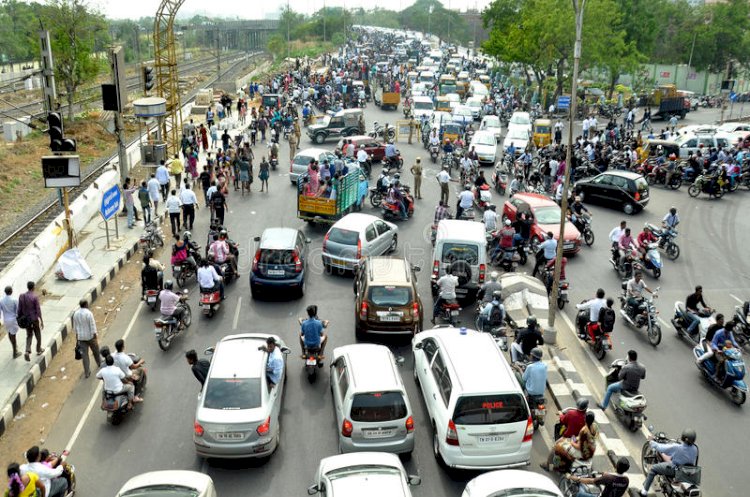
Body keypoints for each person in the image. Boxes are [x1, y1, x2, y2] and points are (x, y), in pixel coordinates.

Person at [640, 429, 698, 496]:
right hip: (688, 471)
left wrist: (651, 442)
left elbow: (661, 448)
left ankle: (643, 492)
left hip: (675, 470)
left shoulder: (677, 447)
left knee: (653, 469)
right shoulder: (695, 449)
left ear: (683, 437)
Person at [72, 299, 100, 378]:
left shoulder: (76, 314)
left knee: (84, 356)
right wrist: (95, 335)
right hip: (90, 336)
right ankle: (99, 363)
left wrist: (77, 337)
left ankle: (87, 372)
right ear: (86, 304)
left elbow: (75, 327)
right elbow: (92, 325)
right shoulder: (88, 313)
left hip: (81, 338)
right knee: (96, 350)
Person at [18, 281, 44, 363]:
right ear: (33, 287)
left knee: (29, 335)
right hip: (34, 319)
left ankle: (27, 351)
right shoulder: (34, 297)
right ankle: (38, 349)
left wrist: (19, 318)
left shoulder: (21, 297)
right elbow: (38, 310)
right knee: (37, 333)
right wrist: (41, 320)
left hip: (26, 320)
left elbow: (19, 309)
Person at [0, 286, 20, 358]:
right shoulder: (14, 300)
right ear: (11, 291)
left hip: (6, 320)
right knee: (13, 335)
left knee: (9, 333)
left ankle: (14, 348)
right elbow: (18, 310)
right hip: (13, 319)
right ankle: (15, 352)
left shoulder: (1, 300)